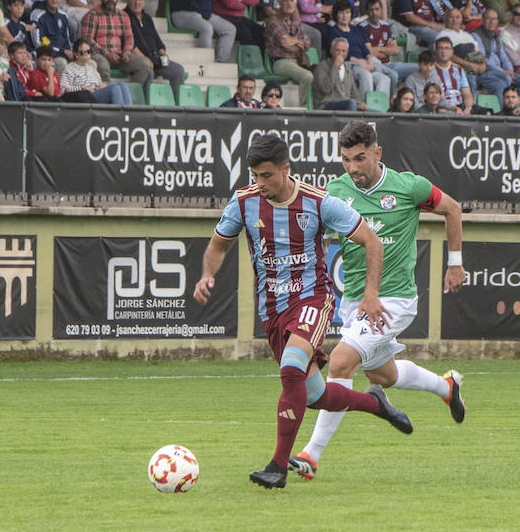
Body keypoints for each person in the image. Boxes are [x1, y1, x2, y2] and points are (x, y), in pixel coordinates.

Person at [192, 132, 409, 489]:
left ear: (285, 169)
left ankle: (277, 467)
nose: (259, 184)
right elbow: (219, 244)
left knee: (292, 369)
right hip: (273, 310)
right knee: (314, 395)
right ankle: (375, 404)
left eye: (266, 176)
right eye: (254, 176)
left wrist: (371, 294)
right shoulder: (244, 203)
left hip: (312, 299)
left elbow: (371, 240)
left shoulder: (319, 202)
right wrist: (207, 275)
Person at [288, 120, 464, 477]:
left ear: (377, 153)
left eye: (360, 158)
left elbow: (453, 209)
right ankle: (446, 386)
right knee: (383, 375)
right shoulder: (335, 190)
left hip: (393, 300)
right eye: (347, 160)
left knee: (339, 363)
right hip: (355, 301)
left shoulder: (408, 187)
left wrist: (455, 264)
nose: (354, 168)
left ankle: (310, 455)